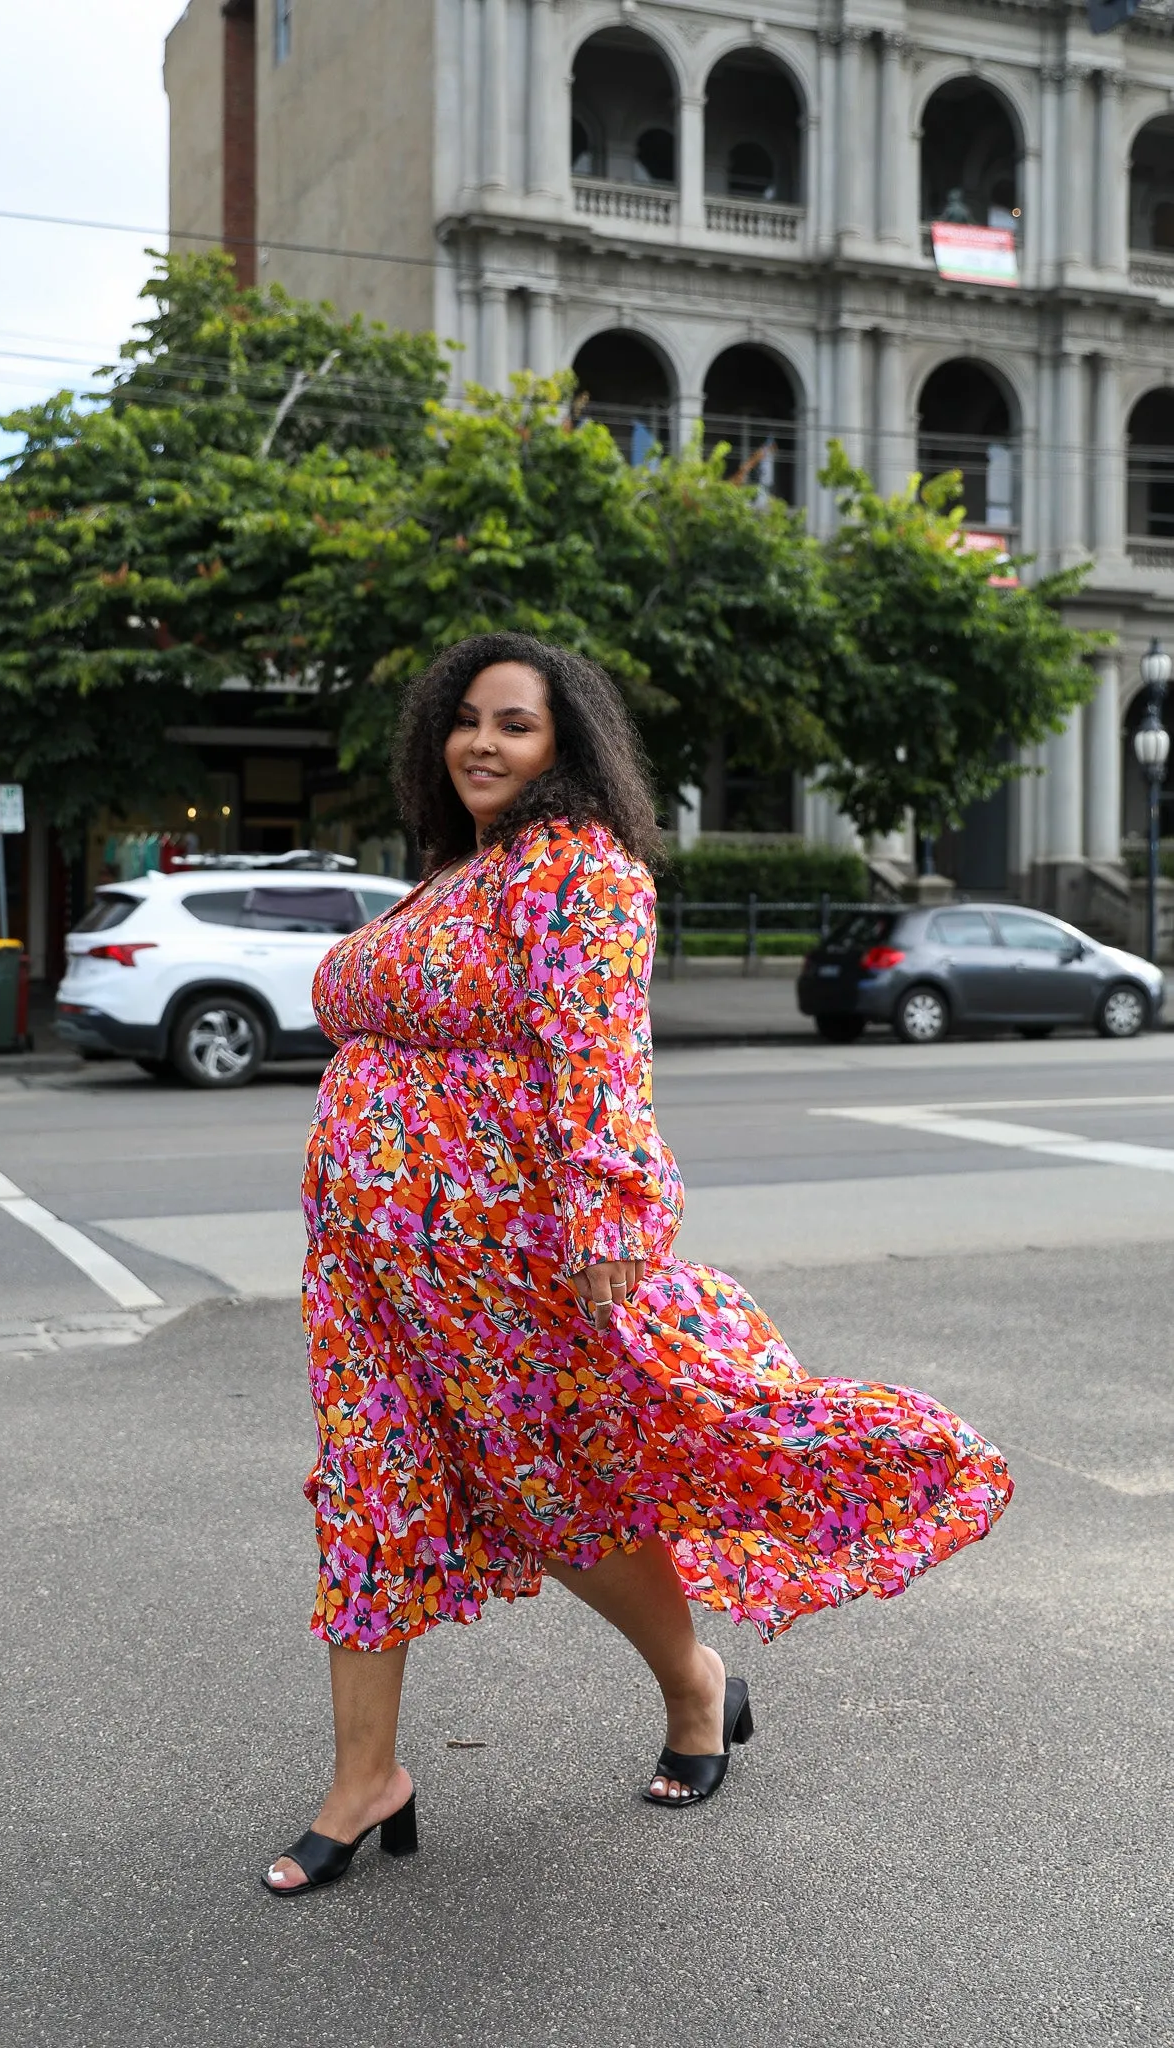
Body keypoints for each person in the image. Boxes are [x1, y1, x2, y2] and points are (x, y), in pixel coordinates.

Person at [264, 633, 1012, 1896]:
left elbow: (601, 1052)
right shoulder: (462, 871)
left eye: (514, 723)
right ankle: (366, 1775)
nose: (482, 743)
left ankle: (696, 1683)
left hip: (504, 1261)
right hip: (369, 1272)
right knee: (368, 1485)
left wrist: (610, 1213)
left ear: (568, 746)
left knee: (560, 1496)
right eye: (465, 720)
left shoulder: (584, 872)